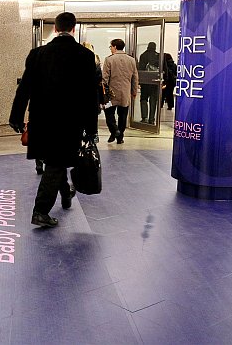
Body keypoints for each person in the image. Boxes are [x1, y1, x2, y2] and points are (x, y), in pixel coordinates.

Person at [9, 12, 98, 228]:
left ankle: (66, 193)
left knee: (54, 160)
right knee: (57, 162)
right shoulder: (85, 56)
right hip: (70, 123)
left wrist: (16, 117)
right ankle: (40, 211)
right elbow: (89, 95)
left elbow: (25, 89)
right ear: (74, 29)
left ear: (56, 29)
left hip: (41, 120)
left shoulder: (37, 54)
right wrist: (91, 127)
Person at [102, 39, 139, 144]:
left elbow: (105, 78)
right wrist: (134, 91)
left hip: (111, 94)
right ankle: (120, 137)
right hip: (125, 93)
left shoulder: (109, 60)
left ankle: (114, 131)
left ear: (114, 47)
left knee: (109, 114)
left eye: (111, 47)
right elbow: (135, 77)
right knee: (122, 116)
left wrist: (103, 92)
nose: (110, 49)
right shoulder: (131, 60)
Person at [138, 41, 160, 124]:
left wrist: (139, 82)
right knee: (153, 100)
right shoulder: (158, 56)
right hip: (155, 82)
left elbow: (141, 68)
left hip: (145, 82)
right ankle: (151, 119)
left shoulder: (143, 55)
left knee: (143, 99)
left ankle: (144, 117)